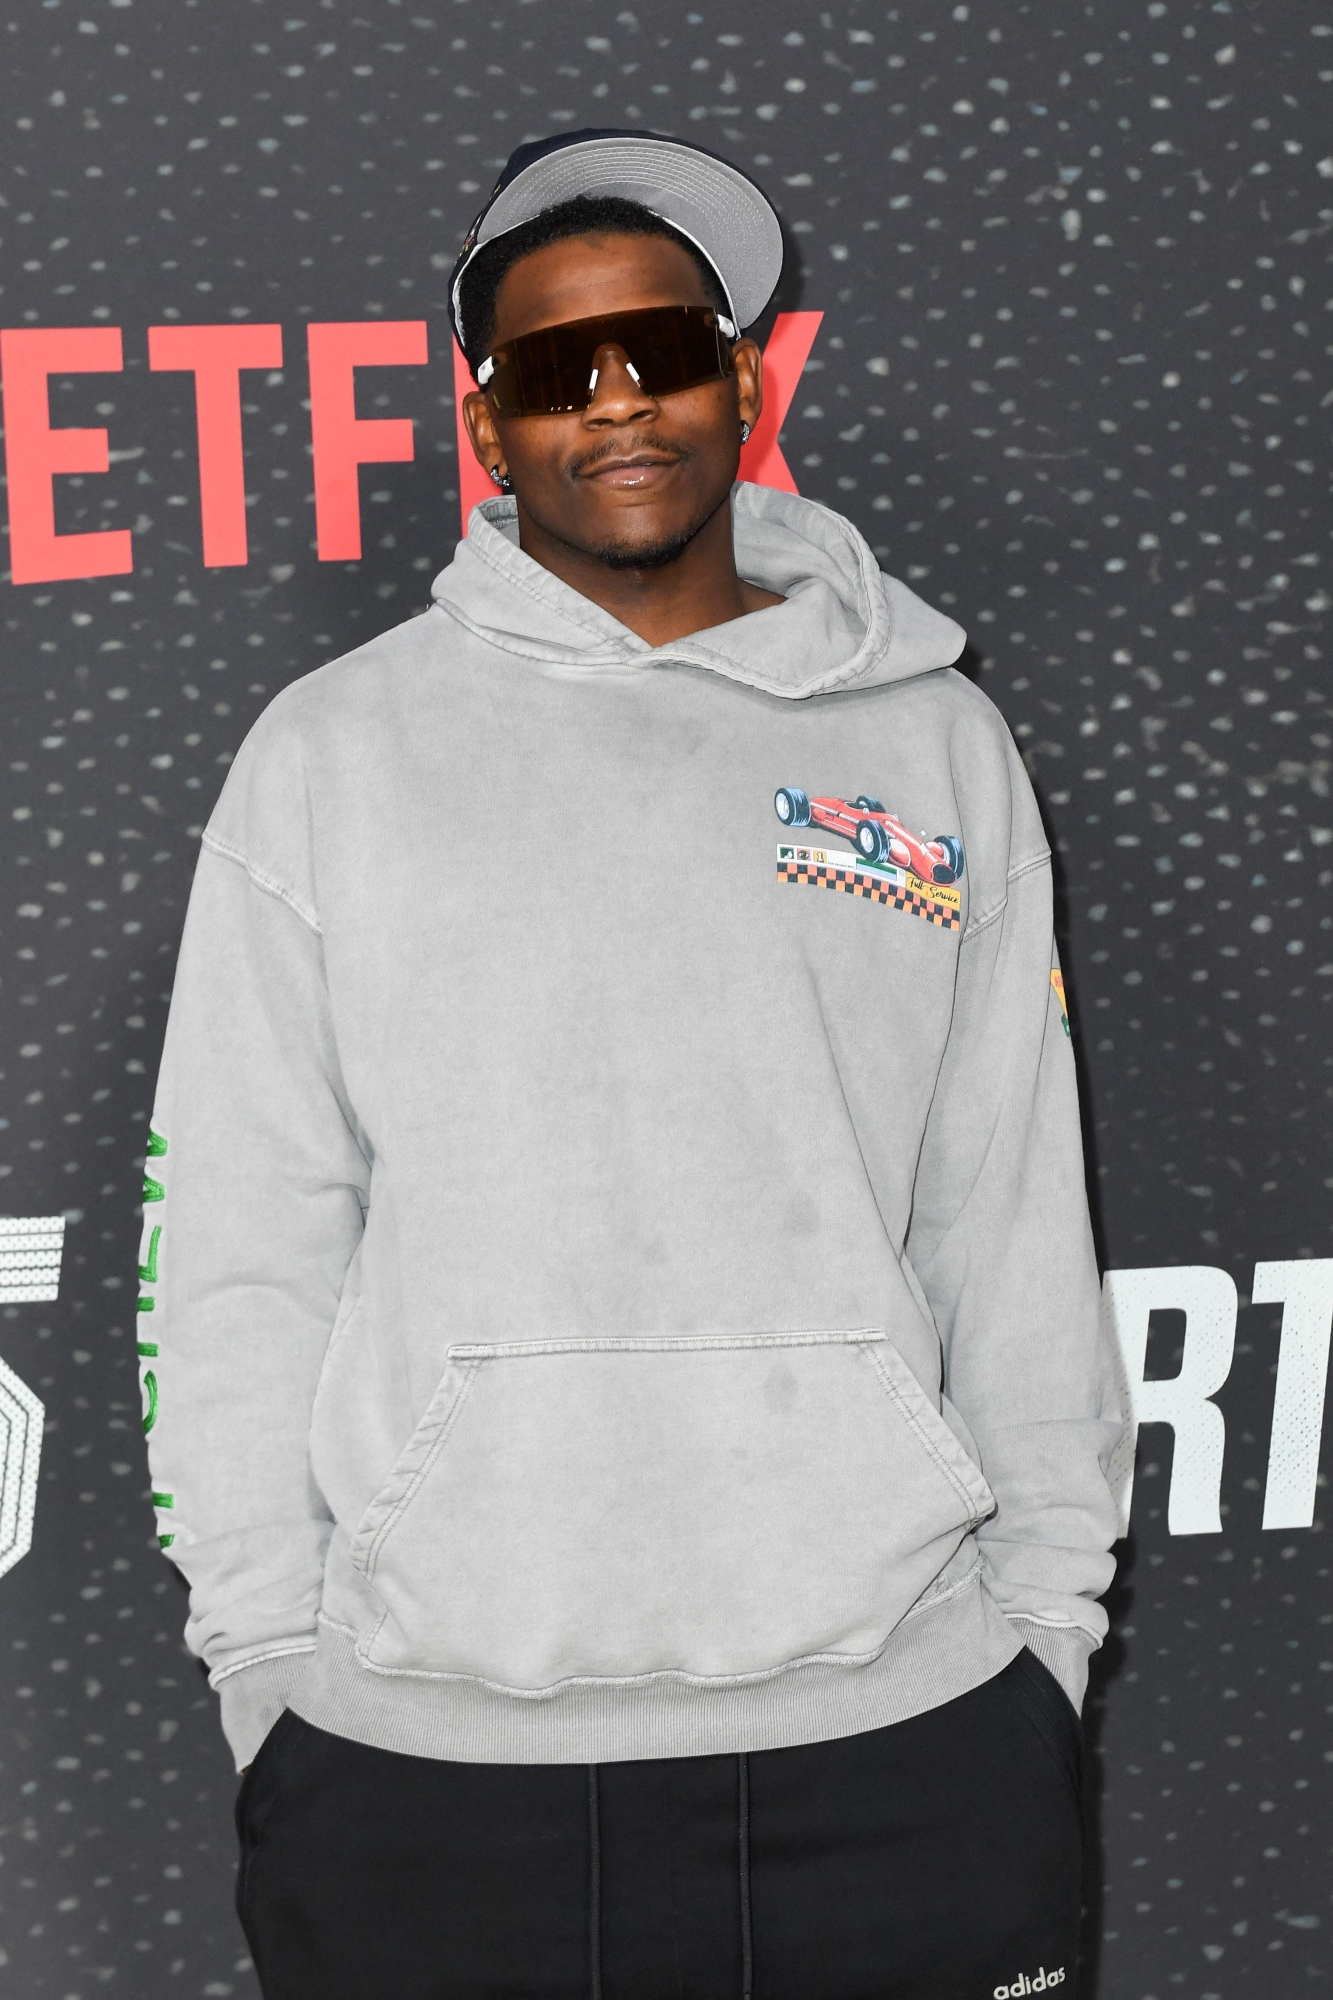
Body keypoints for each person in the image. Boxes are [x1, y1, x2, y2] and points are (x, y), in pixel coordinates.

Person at [141, 129, 1120, 2000]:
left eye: (659, 347)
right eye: (546, 369)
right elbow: (243, 1248)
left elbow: (1004, 1208)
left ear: (743, 373)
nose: (614, 403)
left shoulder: (932, 743)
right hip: (424, 1772)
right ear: (482, 420)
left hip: (906, 1744)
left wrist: (1041, 1638)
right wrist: (271, 1671)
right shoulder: (330, 756)